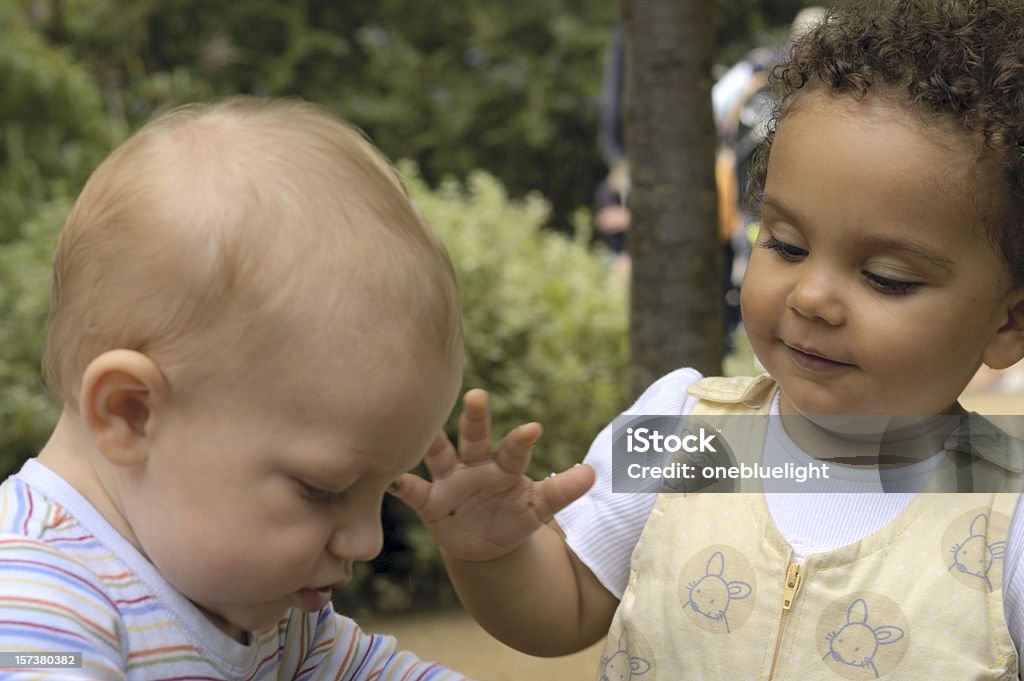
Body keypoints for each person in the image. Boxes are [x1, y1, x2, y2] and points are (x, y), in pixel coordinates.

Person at [390, 1, 1024, 678]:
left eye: (886, 277)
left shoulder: (1005, 516)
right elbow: (564, 603)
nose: (811, 296)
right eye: (784, 243)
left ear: (1008, 323)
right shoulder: (685, 431)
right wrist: (490, 552)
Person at [0, 97, 472, 679]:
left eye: (384, 489)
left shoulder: (281, 621)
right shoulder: (31, 602)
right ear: (130, 413)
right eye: (324, 488)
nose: (367, 541)